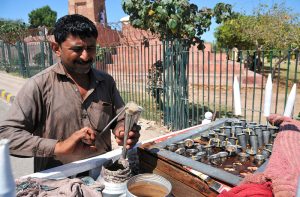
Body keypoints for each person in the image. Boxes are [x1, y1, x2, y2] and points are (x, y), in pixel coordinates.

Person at [0, 14, 140, 172]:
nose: (86, 56)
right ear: (56, 49)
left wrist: (123, 131)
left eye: (91, 48)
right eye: (77, 49)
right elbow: (6, 135)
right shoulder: (38, 85)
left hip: (103, 175)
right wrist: (58, 147)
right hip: (56, 182)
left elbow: (120, 118)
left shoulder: (106, 82)